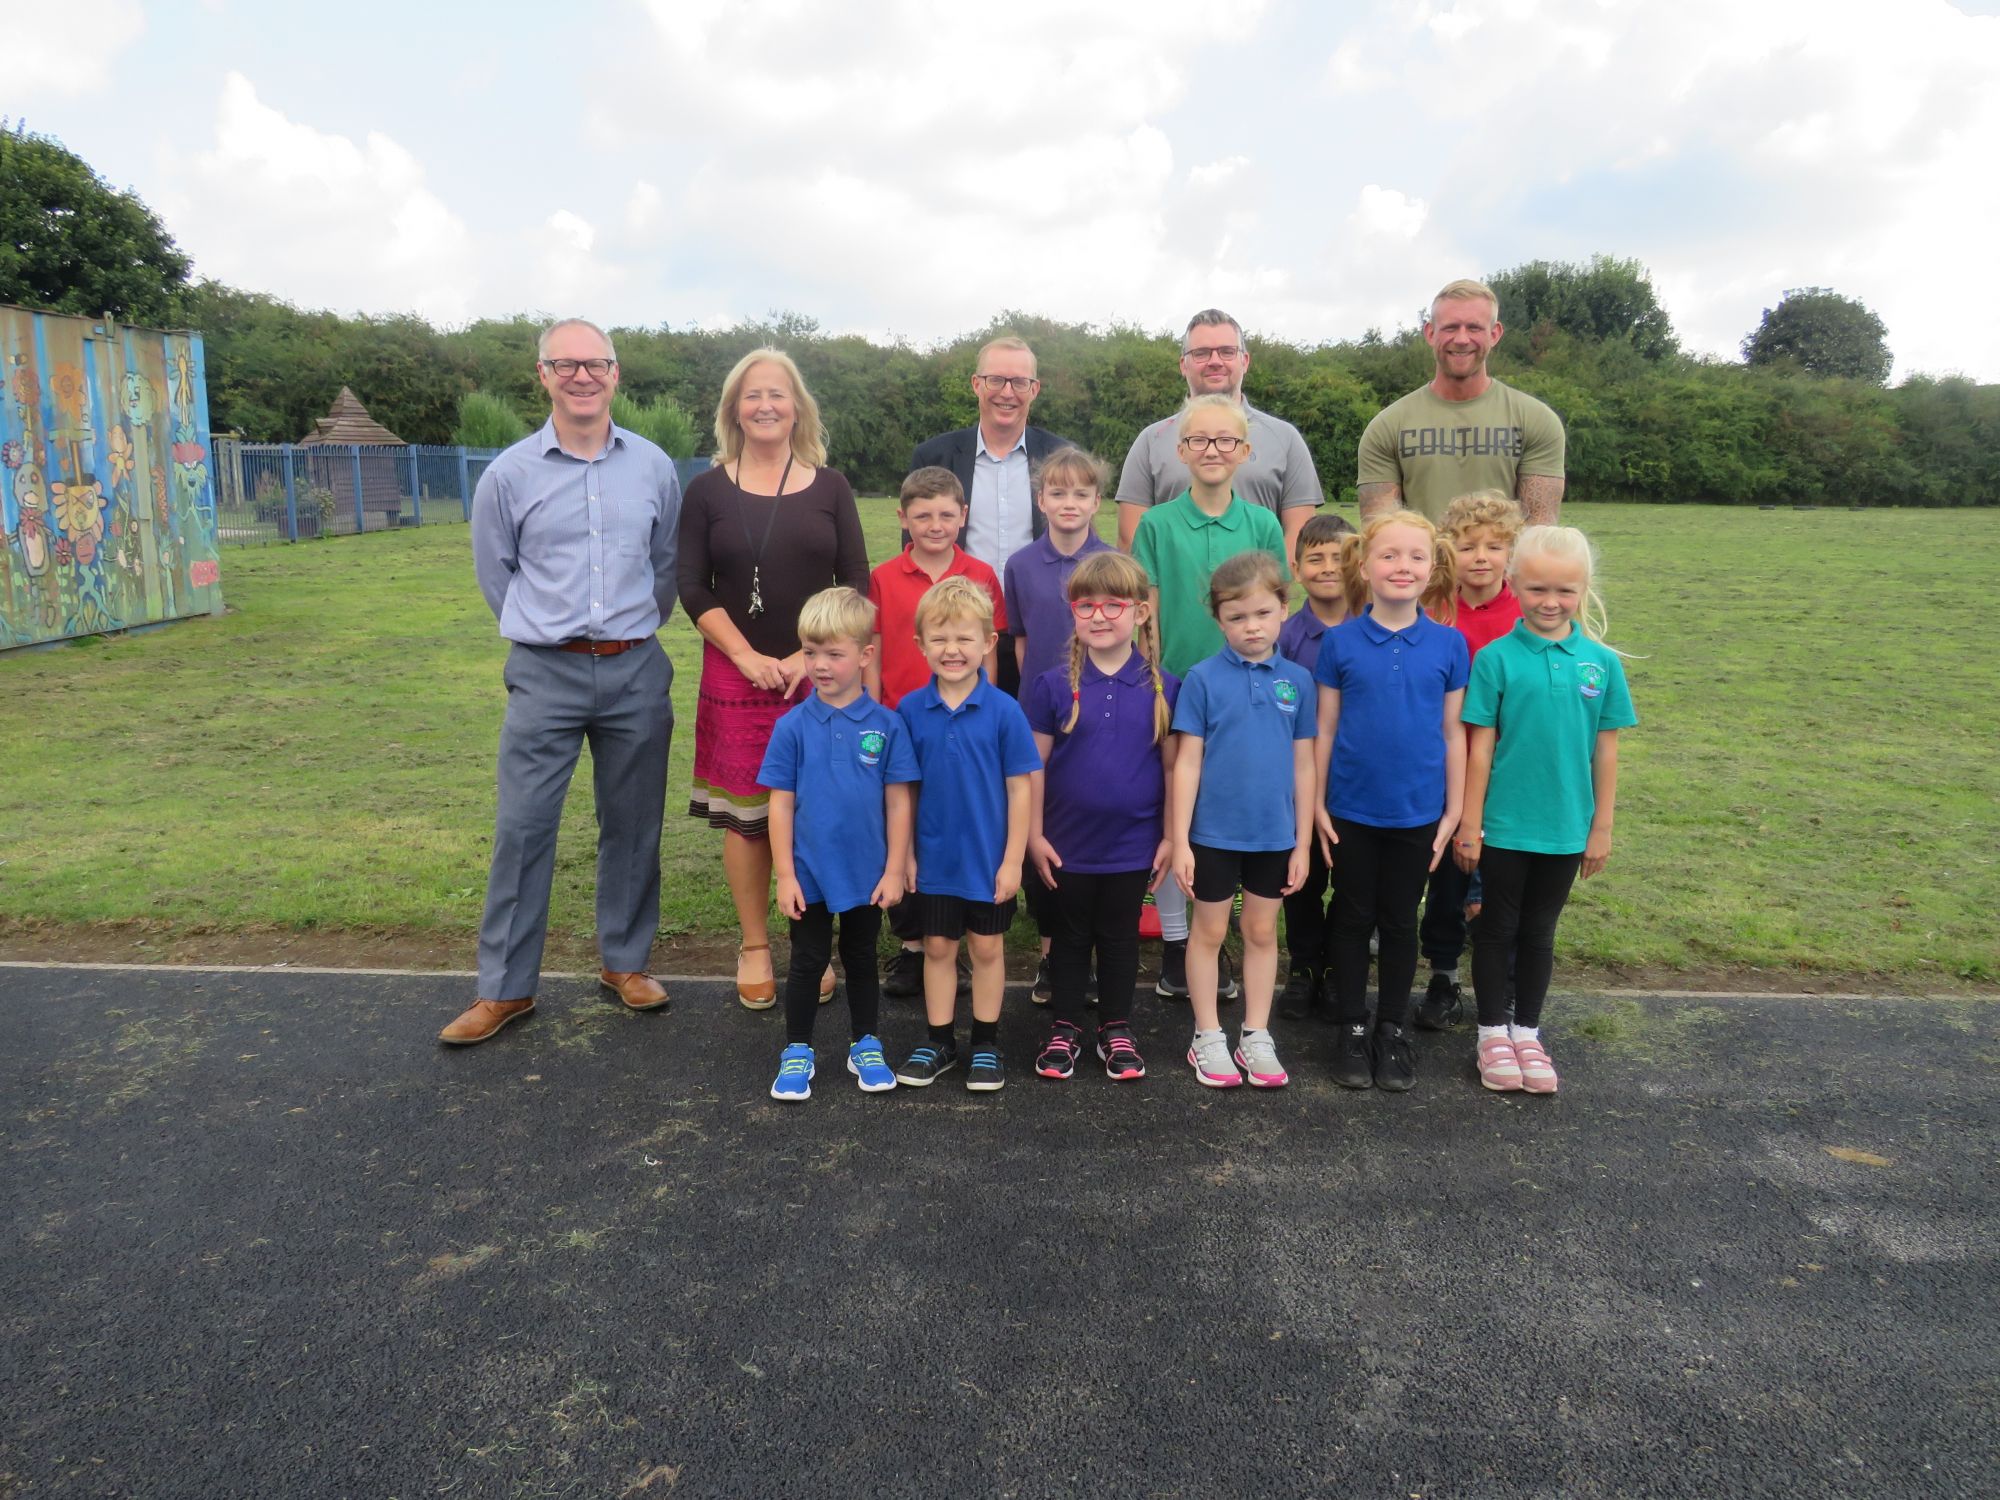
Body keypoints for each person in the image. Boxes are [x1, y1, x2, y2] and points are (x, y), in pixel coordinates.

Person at [444, 318, 681, 1045]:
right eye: (566, 364)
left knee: (634, 824)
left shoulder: (653, 467)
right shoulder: (509, 475)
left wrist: (629, 632)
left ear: (616, 374)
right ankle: (507, 988)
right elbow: (497, 575)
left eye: (596, 364)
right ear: (542, 374)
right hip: (545, 672)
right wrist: (553, 634)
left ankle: (626, 962)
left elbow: (664, 563)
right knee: (523, 828)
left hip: (635, 667)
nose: (583, 376)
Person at [679, 348, 869, 1010]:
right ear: (734, 408)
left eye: (778, 394)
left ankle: (809, 945)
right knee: (749, 819)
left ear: (798, 408)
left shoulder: (831, 486)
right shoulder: (706, 490)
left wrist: (801, 657)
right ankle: (755, 944)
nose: (765, 405)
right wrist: (745, 656)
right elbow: (689, 585)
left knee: (818, 811)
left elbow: (857, 582)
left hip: (818, 679)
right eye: (752, 395)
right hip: (736, 677)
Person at [1457, 527, 1636, 1094]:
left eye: (1565, 590)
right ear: (1514, 584)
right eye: (1536, 589)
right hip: (1505, 826)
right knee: (1495, 930)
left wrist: (1600, 827)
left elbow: (1605, 751)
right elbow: (1479, 747)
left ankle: (1526, 1032)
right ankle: (1491, 1035)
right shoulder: (1494, 659)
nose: (1551, 601)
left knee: (1539, 933)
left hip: (1567, 828)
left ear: (1584, 589)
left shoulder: (1601, 664)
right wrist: (1470, 823)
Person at [1130, 393, 1290, 1001]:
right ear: (1181, 450)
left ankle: (1229, 936)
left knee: (1231, 814)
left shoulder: (1262, 524)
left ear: (1245, 451)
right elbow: (1149, 611)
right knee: (1179, 812)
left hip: (1246, 693)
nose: (1213, 450)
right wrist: (1153, 682)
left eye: (1226, 440)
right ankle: (1180, 942)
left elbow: (1272, 605)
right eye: (1200, 440)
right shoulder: (1157, 524)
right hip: (1177, 689)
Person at [1312, 511, 1467, 1093]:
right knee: (1352, 916)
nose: (1402, 566)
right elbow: (1325, 729)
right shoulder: (1340, 642)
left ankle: (1390, 1029)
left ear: (1432, 568)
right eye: (1389, 555)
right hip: (1351, 808)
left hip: (1419, 812)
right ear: (1365, 565)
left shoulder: (1450, 646)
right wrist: (1319, 804)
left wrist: (1452, 811)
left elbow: (1454, 733)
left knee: (1402, 921)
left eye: (1415, 557)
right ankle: (1353, 1026)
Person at [1023, 551, 1179, 1083]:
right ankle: (1064, 1027)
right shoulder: (1051, 686)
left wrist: (1170, 838)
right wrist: (1033, 834)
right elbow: (1032, 769)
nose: (1099, 615)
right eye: (1086, 604)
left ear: (1140, 613)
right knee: (1068, 937)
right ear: (1073, 612)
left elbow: (1174, 771)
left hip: (1133, 844)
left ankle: (1116, 1028)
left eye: (1114, 604)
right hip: (1064, 843)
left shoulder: (1164, 687)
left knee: (1118, 936)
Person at [758, 587, 918, 1102]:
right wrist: (785, 873)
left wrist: (895, 868)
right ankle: (798, 1049)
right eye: (809, 652)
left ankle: (865, 1043)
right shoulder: (791, 727)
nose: (819, 665)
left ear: (865, 655)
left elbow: (898, 803)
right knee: (807, 962)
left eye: (834, 653)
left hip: (867, 872)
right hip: (809, 872)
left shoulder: (888, 726)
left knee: (863, 954)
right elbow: (779, 805)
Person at [1168, 551, 1316, 1089]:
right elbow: (1187, 762)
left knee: (1259, 931)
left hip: (1274, 834)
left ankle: (1256, 1035)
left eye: (1261, 614)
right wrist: (1180, 839)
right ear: (1218, 620)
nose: (1250, 627)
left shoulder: (1298, 681)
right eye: (1236, 618)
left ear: (1283, 608)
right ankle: (1207, 1036)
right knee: (1207, 932)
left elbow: (1304, 763)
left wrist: (1301, 843)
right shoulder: (1202, 680)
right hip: (1212, 835)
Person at [892, 578, 1041, 1093]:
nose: (952, 650)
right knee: (936, 946)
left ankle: (985, 1043)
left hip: (988, 860)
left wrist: (1012, 861)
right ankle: (939, 1041)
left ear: (988, 643)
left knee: (986, 948)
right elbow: (903, 791)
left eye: (964, 639)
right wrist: (906, 854)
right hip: (933, 860)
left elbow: (1021, 792)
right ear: (920, 645)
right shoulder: (909, 712)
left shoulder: (1005, 710)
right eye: (940, 639)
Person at [867, 467, 1006, 1000]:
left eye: (947, 514)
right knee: (903, 825)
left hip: (962, 717)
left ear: (963, 516)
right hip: (904, 719)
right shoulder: (884, 577)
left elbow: (988, 652)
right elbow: (875, 649)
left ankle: (963, 936)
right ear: (902, 518)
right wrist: (877, 710)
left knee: (955, 819)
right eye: (922, 515)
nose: (935, 524)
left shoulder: (981, 573)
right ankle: (913, 944)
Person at [1003, 446, 1114, 1004]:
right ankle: (1052, 954)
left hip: (1098, 714)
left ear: (1097, 500)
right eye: (1058, 492)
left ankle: (1091, 951)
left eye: (1081, 493)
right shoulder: (1021, 564)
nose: (1069, 503)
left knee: (1088, 825)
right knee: (1037, 827)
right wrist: (1040, 700)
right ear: (1040, 498)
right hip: (1038, 714)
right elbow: (1021, 642)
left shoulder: (1114, 562)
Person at [1412, 490, 1524, 1032]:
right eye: (1467, 544)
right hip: (1440, 763)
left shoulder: (1527, 611)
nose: (1481, 556)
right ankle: (1443, 976)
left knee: (1493, 880)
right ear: (1446, 551)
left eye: (1495, 546)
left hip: (1505, 767)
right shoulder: (1431, 607)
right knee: (1449, 879)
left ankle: (1500, 986)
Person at [910, 334, 1076, 694]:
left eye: (1020, 382)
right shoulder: (933, 456)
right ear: (976, 384)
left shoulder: (1062, 457)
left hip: (1038, 633)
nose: (1007, 392)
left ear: (1035, 389)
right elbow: (916, 551)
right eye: (996, 380)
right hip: (958, 635)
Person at [1355, 279, 1566, 526]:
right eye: (1450, 327)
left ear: (1495, 333)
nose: (1462, 339)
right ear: (1430, 333)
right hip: (1422, 565)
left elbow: (1537, 533)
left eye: (1474, 328)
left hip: (1507, 566)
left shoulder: (1536, 421)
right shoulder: (1387, 427)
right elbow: (1381, 536)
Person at [1115, 309, 1324, 554]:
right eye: (1201, 353)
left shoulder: (1286, 439)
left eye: (1227, 351)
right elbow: (1131, 540)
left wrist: (1264, 587)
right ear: (1184, 364)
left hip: (1258, 589)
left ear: (1244, 361)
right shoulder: (1151, 440)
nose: (1215, 361)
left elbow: (1299, 536)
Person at [1274, 512, 1355, 1024]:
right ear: (1297, 568)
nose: (1328, 567)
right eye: (1315, 558)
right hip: (1293, 783)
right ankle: (1303, 967)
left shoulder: (1376, 631)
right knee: (1300, 882)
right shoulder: (1281, 637)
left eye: (1340, 557)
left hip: (1355, 785)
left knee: (1352, 884)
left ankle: (1340, 968)